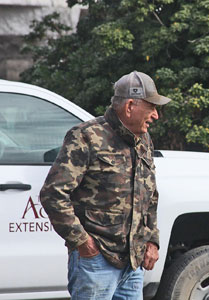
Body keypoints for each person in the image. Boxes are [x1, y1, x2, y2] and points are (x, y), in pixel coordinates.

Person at [40, 71, 171, 300]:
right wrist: (82, 242)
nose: (156, 116)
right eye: (151, 107)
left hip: (133, 264)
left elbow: (149, 195)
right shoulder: (86, 137)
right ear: (130, 106)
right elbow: (53, 194)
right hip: (96, 261)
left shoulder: (144, 140)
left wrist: (152, 240)